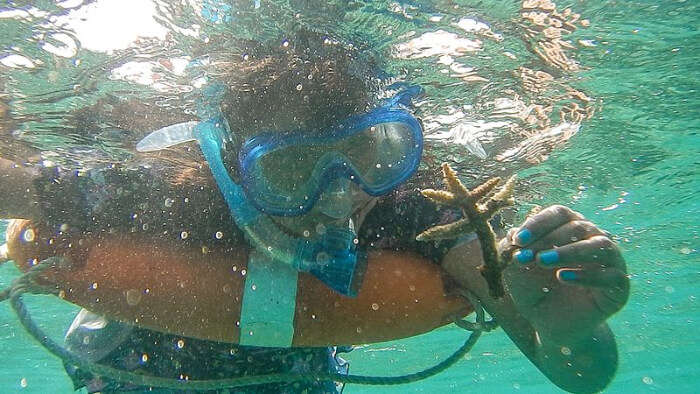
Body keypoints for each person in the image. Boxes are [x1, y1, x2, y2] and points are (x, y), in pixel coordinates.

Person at [0, 31, 629, 394]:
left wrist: (568, 328)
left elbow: (581, 373)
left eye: (369, 155)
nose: (339, 194)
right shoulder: (177, 193)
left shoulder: (415, 214)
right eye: (292, 168)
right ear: (235, 168)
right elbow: (16, 184)